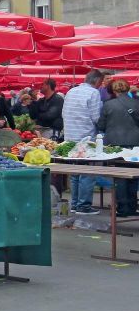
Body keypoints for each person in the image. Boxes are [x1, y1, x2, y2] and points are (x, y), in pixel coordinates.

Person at [63, 70, 106, 215]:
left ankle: (75, 204)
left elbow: (63, 113)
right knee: (88, 172)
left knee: (75, 173)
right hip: (86, 137)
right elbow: (96, 117)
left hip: (70, 136)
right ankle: (83, 206)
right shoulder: (93, 93)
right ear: (97, 81)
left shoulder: (71, 91)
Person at [98, 79, 139, 217]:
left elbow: (101, 125)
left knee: (120, 176)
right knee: (133, 175)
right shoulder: (137, 102)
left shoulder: (108, 105)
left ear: (114, 90)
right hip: (135, 143)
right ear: (128, 89)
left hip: (115, 144)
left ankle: (122, 208)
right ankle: (133, 206)